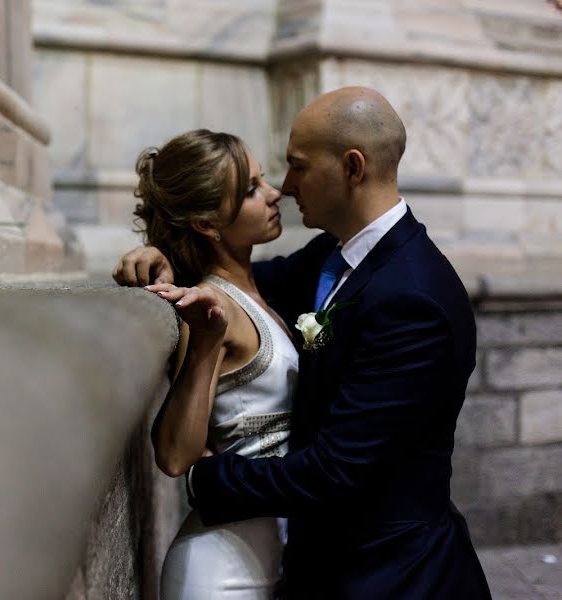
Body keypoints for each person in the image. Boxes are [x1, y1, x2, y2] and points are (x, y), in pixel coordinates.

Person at [114, 88, 492, 600]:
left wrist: (204, 482)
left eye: (296, 166)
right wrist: (164, 252)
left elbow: (337, 470)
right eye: (262, 181)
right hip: (303, 563)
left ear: (352, 168)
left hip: (390, 576)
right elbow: (237, 282)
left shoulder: (413, 297)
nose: (284, 187)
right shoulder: (328, 258)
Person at [132, 129, 297, 599]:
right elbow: (174, 456)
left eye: (263, 181)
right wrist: (207, 341)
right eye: (251, 190)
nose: (273, 194)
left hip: (274, 558)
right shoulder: (209, 308)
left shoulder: (259, 294)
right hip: (219, 571)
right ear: (207, 223)